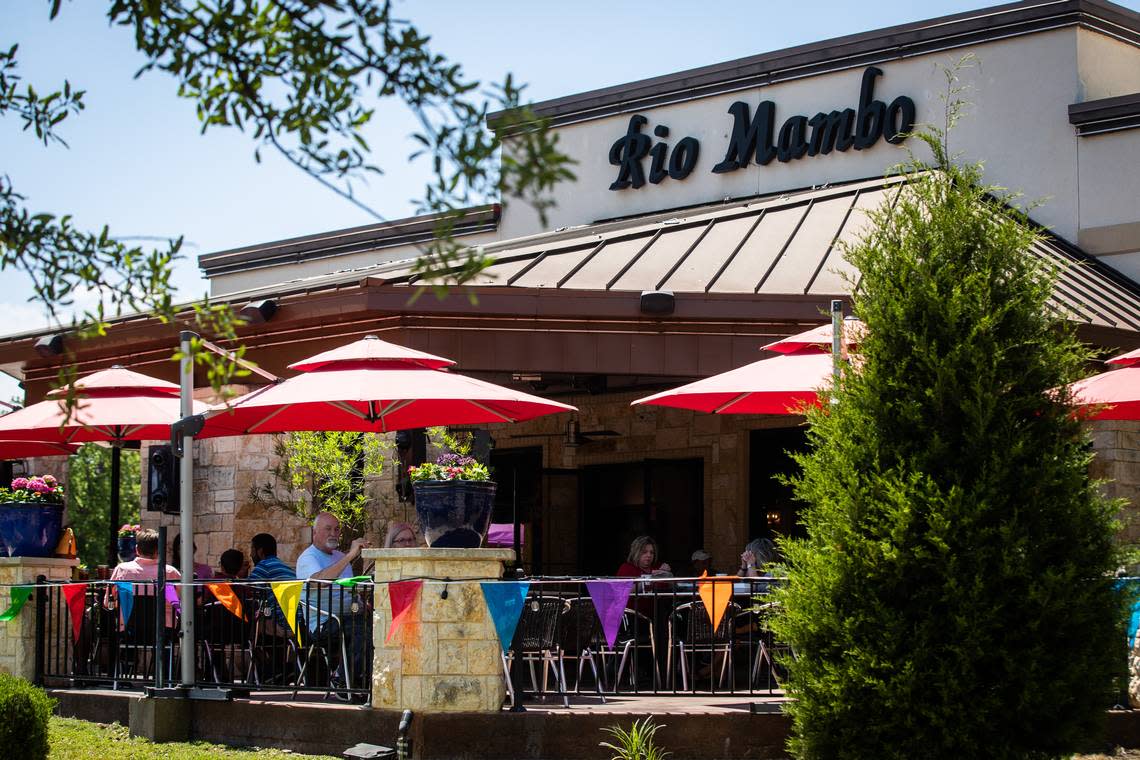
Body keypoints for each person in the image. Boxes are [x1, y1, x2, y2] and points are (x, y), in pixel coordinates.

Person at [296, 512, 371, 695]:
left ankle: (360, 682)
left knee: (378, 625)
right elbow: (318, 581)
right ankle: (343, 679)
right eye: (328, 529)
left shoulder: (340, 557)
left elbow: (349, 590)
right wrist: (350, 556)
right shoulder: (308, 558)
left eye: (336, 529)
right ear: (315, 533)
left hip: (349, 617)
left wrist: (361, 599)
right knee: (361, 628)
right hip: (323, 624)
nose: (333, 533)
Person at [107, 528, 181, 627]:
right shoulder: (170, 572)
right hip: (164, 632)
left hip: (129, 632)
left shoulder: (122, 570)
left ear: (137, 549)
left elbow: (108, 602)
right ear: (159, 550)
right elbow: (182, 604)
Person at [248, 532, 298, 637]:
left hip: (285, 625)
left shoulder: (264, 565)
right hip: (299, 622)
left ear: (260, 551)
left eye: (252, 549)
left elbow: (247, 590)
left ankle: (250, 652)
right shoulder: (285, 567)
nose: (250, 554)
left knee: (249, 621)